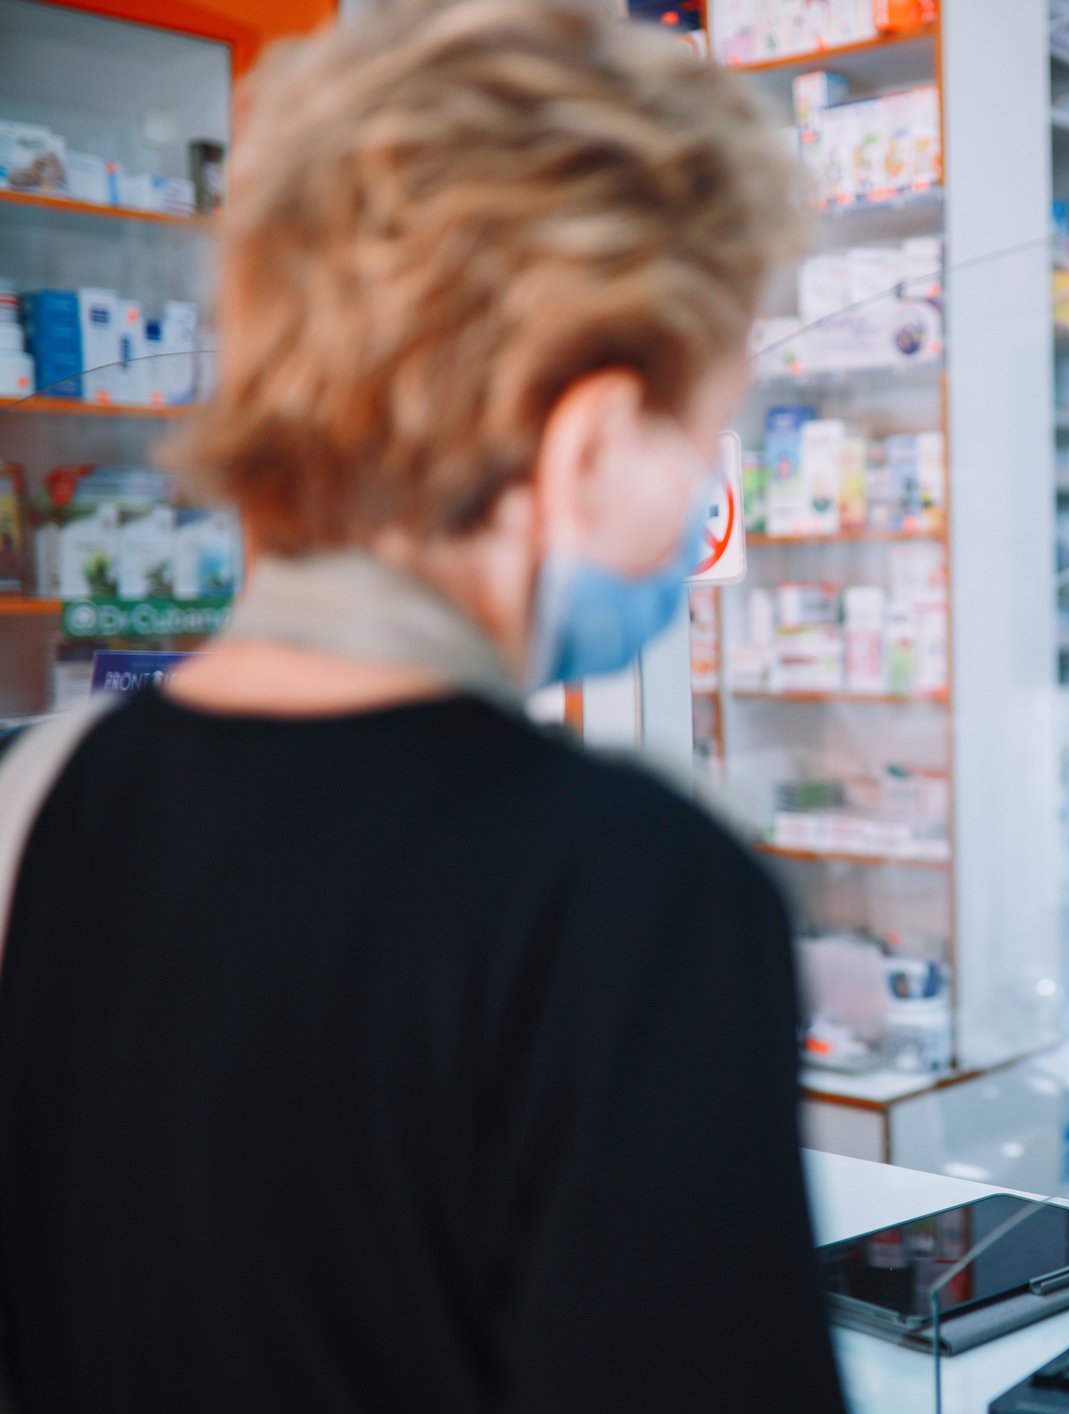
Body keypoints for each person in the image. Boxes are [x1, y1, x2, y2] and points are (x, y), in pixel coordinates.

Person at [0, 3, 845, 1410]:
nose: (704, 489)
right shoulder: (633, 891)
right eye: (705, 428)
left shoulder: (44, 793)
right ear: (584, 440)